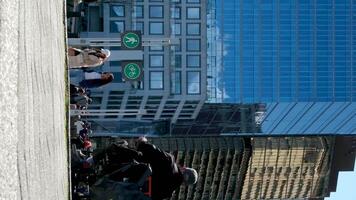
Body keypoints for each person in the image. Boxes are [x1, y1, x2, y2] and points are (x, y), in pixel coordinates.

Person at [94, 137, 198, 200]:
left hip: (121, 177)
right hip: (125, 194)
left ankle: (90, 161)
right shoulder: (167, 193)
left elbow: (149, 150)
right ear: (184, 184)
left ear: (184, 168)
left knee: (117, 147)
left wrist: (142, 141)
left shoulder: (169, 161)